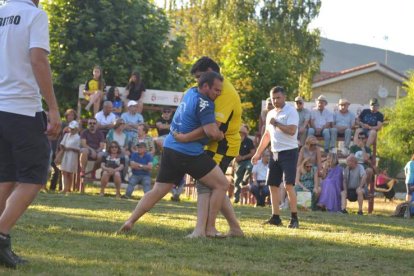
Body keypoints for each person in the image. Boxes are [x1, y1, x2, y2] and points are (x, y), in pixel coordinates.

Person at [118, 71, 229, 238]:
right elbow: (212, 132)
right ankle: (210, 228)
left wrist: (184, 136)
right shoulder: (206, 104)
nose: (219, 94)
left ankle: (130, 220)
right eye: (216, 90)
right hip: (188, 153)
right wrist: (220, 135)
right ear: (205, 86)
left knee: (158, 190)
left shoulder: (191, 92)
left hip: (170, 148)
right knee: (221, 184)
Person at [0, 0, 61, 268]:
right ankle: (1, 235)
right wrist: (54, 107)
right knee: (36, 175)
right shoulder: (34, 15)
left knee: (6, 176)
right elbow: (38, 59)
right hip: (22, 108)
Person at [175, 57, 244, 238]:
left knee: (209, 185)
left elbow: (213, 129)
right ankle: (233, 229)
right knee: (215, 185)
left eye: (199, 76)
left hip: (222, 145)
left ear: (210, 72)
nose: (197, 82)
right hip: (215, 144)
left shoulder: (224, 92)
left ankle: (206, 229)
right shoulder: (212, 88)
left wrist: (184, 138)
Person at [252, 86, 300, 228]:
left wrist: (277, 123)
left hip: (289, 152)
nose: (275, 100)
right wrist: (258, 153)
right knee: (272, 185)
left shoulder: (291, 111)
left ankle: (294, 218)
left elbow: (292, 131)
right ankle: (276, 217)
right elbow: (267, 135)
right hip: (274, 152)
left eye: (278, 97)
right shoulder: (270, 113)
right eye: (273, 98)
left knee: (288, 185)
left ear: (284, 97)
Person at [79, 118, 106, 188]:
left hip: (98, 150)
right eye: (90, 123)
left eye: (94, 123)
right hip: (88, 149)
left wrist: (97, 151)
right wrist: (92, 150)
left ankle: (93, 171)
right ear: (88, 124)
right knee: (84, 151)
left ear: (96, 125)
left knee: (102, 156)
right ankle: (83, 171)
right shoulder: (84, 132)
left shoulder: (100, 133)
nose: (92, 125)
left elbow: (102, 146)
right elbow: (84, 144)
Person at [233, 125, 255, 204]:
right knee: (236, 181)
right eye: (239, 132)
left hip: (247, 161)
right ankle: (236, 198)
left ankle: (245, 180)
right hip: (238, 163)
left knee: (250, 167)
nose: (240, 133)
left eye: (242, 132)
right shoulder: (235, 140)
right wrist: (235, 156)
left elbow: (253, 153)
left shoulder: (249, 141)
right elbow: (231, 150)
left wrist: (243, 157)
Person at [58, 121, 81, 194]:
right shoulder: (66, 135)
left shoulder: (78, 137)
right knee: (64, 171)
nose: (71, 130)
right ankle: (64, 188)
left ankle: (68, 188)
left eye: (73, 129)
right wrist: (63, 149)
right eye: (70, 128)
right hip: (65, 154)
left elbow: (79, 149)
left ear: (77, 129)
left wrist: (70, 148)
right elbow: (62, 144)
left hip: (73, 156)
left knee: (70, 172)